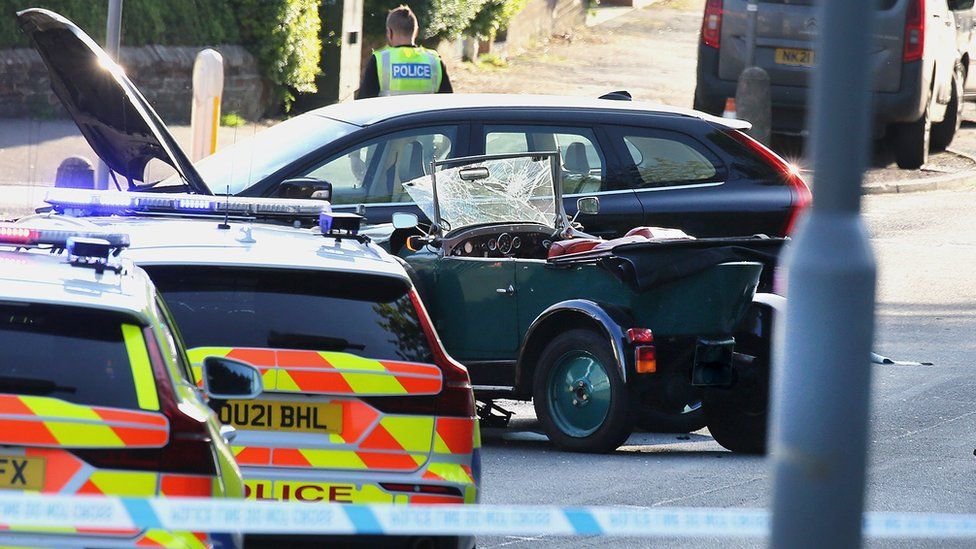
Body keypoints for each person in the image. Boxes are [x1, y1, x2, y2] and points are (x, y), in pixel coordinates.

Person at [356, 4, 453, 99]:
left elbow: (364, 104)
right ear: (416, 32)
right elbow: (447, 103)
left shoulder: (379, 61)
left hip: (391, 115)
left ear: (389, 32)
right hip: (425, 115)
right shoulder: (434, 61)